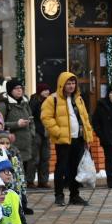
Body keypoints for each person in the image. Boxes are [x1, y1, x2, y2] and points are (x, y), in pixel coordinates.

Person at [40, 71, 95, 207]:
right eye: (68, 83)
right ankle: (59, 195)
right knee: (61, 168)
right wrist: (58, 132)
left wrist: (88, 137)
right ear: (62, 84)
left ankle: (74, 195)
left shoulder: (79, 99)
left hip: (78, 139)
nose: (71, 86)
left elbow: (85, 119)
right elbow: (46, 117)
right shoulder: (52, 99)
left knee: (75, 168)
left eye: (73, 83)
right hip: (63, 140)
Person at [0, 79, 39, 186]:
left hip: (27, 141)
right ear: (10, 90)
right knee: (15, 167)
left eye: (21, 88)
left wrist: (32, 132)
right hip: (12, 142)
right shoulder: (4, 105)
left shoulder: (25, 103)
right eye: (16, 88)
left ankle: (25, 185)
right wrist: (16, 124)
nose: (19, 90)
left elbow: (31, 119)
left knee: (27, 165)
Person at [28, 82, 53, 188]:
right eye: (44, 90)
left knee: (45, 158)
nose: (47, 92)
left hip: (46, 132)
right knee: (34, 158)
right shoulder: (34, 101)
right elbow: (30, 117)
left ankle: (43, 181)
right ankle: (30, 181)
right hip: (36, 132)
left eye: (48, 90)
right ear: (40, 91)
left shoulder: (50, 101)